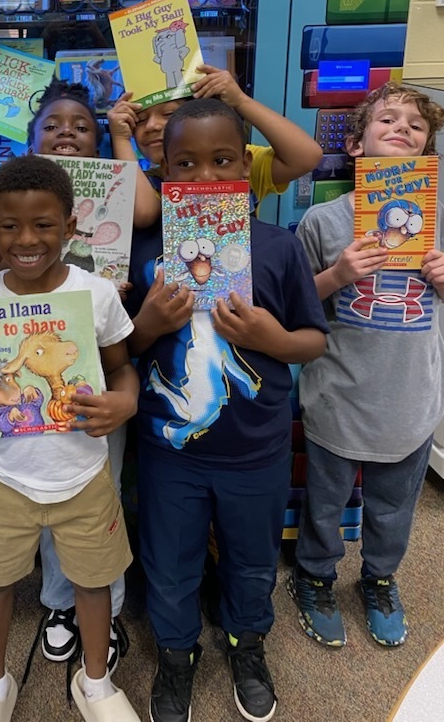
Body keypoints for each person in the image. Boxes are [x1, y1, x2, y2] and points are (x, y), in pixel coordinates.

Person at [127, 99, 328, 722]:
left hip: (256, 452)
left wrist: (273, 339)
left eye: (221, 161)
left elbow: (313, 341)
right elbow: (113, 350)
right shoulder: (144, 248)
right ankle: (176, 652)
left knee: (252, 561)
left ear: (246, 165)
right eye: (185, 163)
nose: (205, 177)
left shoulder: (277, 248)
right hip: (169, 453)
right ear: (162, 169)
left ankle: (247, 643)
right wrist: (146, 325)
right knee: (169, 564)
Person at [0, 156, 140, 722]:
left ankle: (96, 681)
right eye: (10, 226)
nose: (26, 239)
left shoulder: (96, 294)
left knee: (94, 580)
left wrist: (125, 401)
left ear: (70, 227)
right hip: (4, 475)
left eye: (43, 225)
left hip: (83, 472)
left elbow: (121, 368)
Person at [288, 82, 444, 650]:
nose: (402, 128)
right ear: (355, 145)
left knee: (394, 507)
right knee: (325, 503)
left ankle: (379, 578)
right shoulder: (324, 221)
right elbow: (294, 304)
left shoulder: (440, 220)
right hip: (339, 395)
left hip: (412, 400)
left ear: (427, 149)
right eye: (387, 120)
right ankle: (314, 575)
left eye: (416, 125)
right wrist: (338, 274)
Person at [27, 79, 129, 671]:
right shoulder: (13, 203)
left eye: (81, 125)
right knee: (48, 490)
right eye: (52, 125)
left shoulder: (117, 188)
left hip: (98, 373)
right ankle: (59, 602)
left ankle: (106, 607)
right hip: (44, 377)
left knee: (100, 495)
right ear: (31, 141)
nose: (67, 132)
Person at [107, 63, 322, 227]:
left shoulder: (235, 164)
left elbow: (306, 156)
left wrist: (241, 101)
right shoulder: (148, 183)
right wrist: (120, 138)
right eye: (140, 120)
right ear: (167, 170)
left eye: (169, 114)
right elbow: (143, 212)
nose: (152, 125)